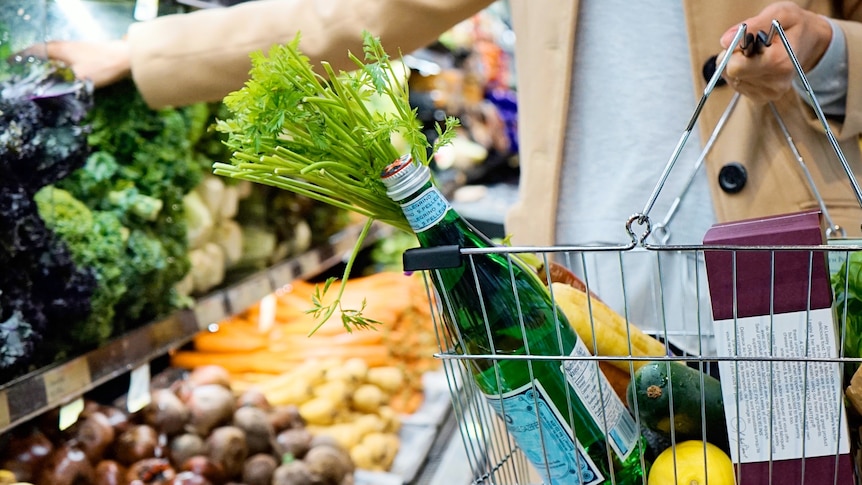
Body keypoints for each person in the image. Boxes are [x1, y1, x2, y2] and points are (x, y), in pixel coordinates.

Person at [29, 0, 862, 353]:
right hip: (579, 288)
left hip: (795, 282)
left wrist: (831, 57)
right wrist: (145, 52)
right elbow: (349, 18)